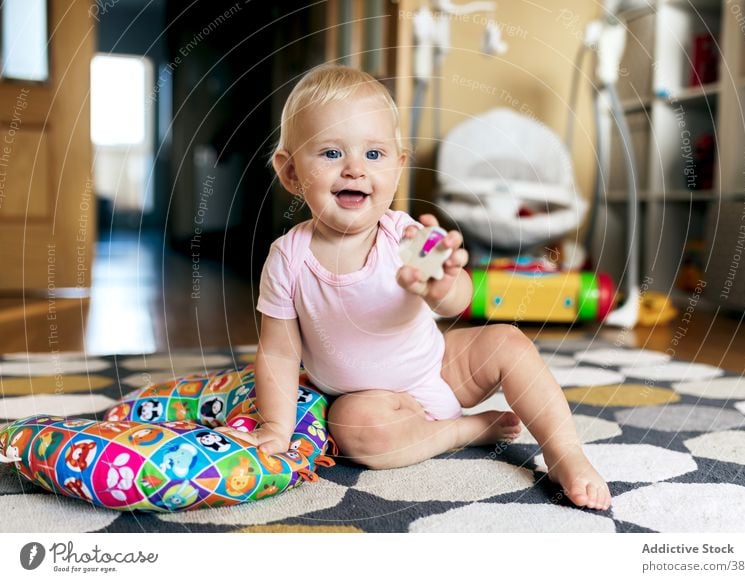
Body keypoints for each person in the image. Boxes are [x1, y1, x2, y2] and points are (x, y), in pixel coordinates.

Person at [222, 65, 611, 510]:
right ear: (290, 173)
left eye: (374, 155)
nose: (354, 169)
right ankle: (462, 430)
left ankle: (564, 450)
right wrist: (275, 426)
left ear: (397, 166)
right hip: (366, 398)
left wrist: (442, 284)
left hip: (437, 369)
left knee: (507, 342)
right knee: (352, 431)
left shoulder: (404, 234)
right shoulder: (288, 257)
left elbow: (458, 300)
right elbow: (278, 352)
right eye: (331, 153)